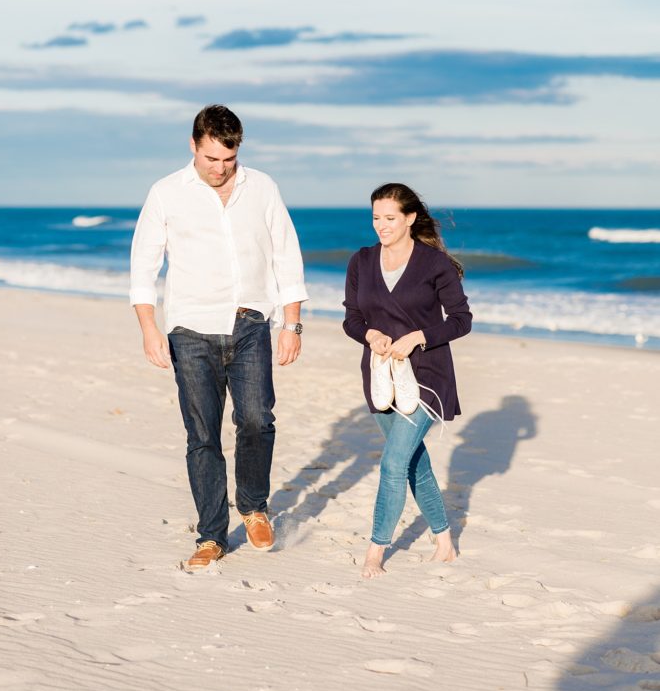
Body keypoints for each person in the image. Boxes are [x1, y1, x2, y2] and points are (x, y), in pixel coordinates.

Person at [130, 104, 307, 569]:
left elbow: (286, 255)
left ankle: (252, 506)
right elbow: (143, 266)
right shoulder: (167, 193)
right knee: (202, 435)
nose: (220, 168)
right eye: (211, 158)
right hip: (189, 331)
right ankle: (210, 536)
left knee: (256, 420)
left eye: (228, 159)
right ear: (194, 145)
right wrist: (150, 328)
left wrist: (292, 324)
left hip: (250, 323)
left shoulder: (262, 187)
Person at [343, 183, 472, 578]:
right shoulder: (362, 261)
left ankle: (375, 552)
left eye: (390, 218)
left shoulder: (435, 264)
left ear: (410, 218)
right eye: (376, 218)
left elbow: (461, 320)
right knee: (415, 463)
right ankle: (444, 540)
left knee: (393, 462)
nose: (381, 226)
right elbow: (352, 318)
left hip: (428, 375)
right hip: (381, 375)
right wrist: (371, 335)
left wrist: (419, 336)